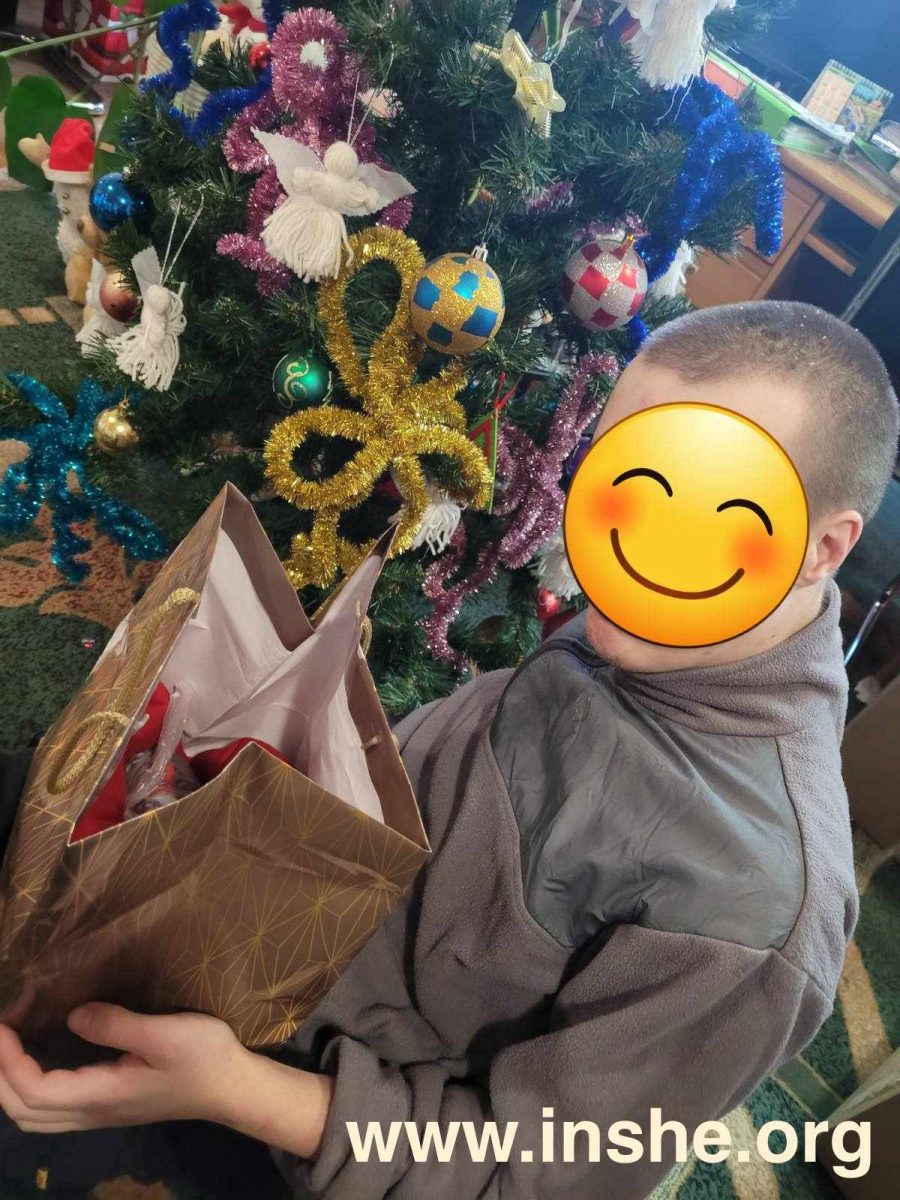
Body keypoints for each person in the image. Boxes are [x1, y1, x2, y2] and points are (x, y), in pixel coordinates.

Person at [1, 302, 897, 1199]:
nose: (628, 543)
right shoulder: (663, 631)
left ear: (823, 548)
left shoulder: (757, 913)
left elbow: (529, 1179)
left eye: (705, 511)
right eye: (619, 478)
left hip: (295, 1120)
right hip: (254, 931)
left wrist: (237, 1092)